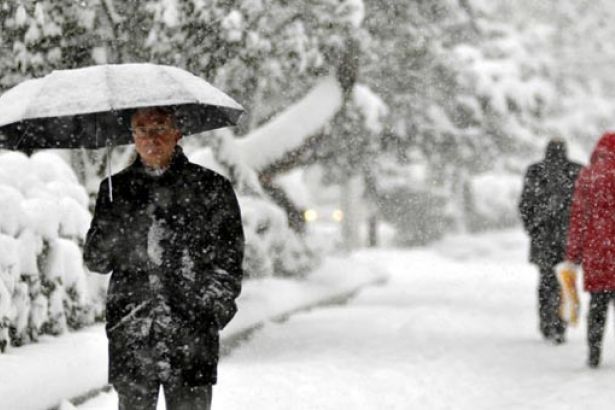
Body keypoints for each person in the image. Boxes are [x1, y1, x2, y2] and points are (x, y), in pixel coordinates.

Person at [83, 107, 244, 409]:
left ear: (177, 131)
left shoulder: (210, 188)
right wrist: (112, 224)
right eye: (141, 130)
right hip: (132, 333)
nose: (150, 138)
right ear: (132, 136)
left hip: (192, 336)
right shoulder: (115, 191)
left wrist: (210, 310)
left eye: (159, 127)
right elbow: (97, 261)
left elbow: (229, 259)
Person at [518, 139, 582, 344]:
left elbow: (525, 204)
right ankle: (560, 324)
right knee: (564, 281)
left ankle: (547, 322)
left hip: (543, 237)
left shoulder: (535, 171)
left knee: (546, 281)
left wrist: (533, 228)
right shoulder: (576, 171)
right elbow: (586, 207)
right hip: (568, 238)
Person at [566, 132, 615, 368]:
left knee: (598, 304)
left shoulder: (587, 175)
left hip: (596, 251)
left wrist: (573, 254)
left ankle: (593, 353)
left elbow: (579, 218)